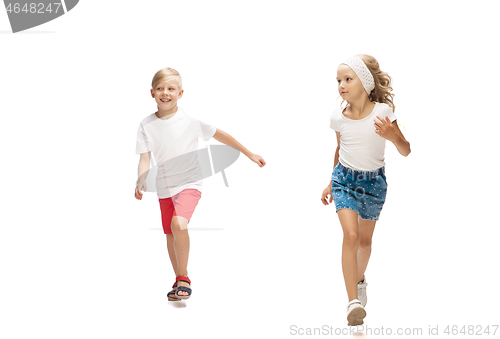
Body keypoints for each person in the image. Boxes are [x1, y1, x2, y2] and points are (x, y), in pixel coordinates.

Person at [135, 67, 265, 301]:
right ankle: (178, 280)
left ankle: (184, 278)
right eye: (160, 88)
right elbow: (144, 158)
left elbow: (220, 134)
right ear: (152, 92)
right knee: (171, 235)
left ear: (180, 93)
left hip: (189, 183)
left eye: (171, 89)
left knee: (178, 224)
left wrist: (248, 153)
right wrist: (141, 178)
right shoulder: (146, 125)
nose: (166, 93)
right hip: (164, 187)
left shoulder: (189, 121)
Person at [321, 55, 410, 326]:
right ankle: (352, 303)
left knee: (364, 242)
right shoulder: (338, 117)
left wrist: (392, 136)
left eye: (348, 79)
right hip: (344, 180)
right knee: (350, 235)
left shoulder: (383, 112)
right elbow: (340, 149)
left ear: (365, 82)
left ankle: (359, 281)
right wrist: (330, 182)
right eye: (338, 80)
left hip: (374, 184)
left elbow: (406, 150)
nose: (341, 85)